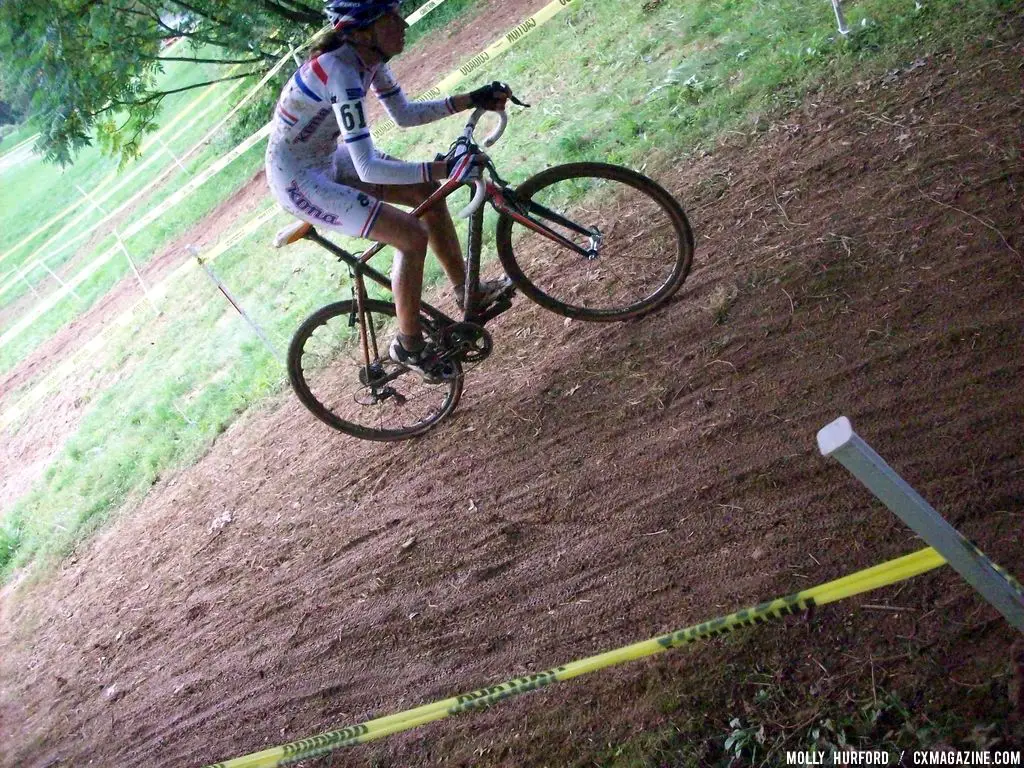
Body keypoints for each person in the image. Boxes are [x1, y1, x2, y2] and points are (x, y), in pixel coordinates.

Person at [265, 0, 513, 382]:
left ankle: (468, 291)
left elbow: (404, 115)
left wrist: (469, 99)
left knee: (423, 190)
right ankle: (408, 345)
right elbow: (368, 167)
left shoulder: (368, 58)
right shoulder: (342, 72)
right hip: (299, 179)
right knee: (410, 236)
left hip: (327, 157)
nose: (403, 24)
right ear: (363, 30)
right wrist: (449, 167)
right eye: (391, 18)